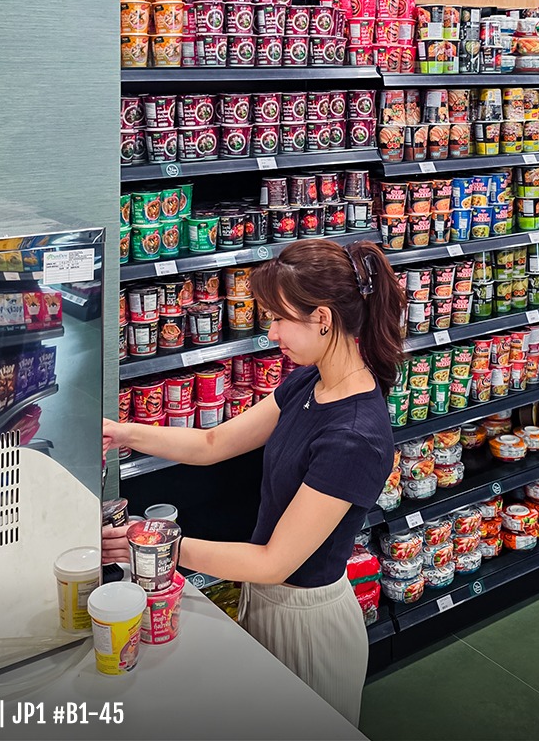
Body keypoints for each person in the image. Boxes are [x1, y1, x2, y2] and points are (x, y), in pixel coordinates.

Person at [102, 238, 404, 725]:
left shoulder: (354, 437)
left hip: (308, 626)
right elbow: (213, 444)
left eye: (281, 319)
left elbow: (272, 561)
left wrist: (153, 545)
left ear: (323, 319)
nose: (271, 333)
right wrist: (123, 433)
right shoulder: (311, 380)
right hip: (264, 604)